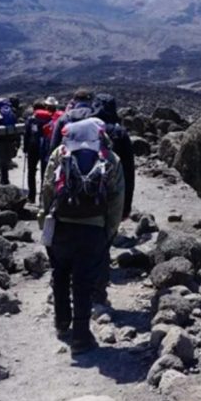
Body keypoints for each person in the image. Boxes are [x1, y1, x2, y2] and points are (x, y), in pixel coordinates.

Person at [39, 117, 125, 355]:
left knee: (60, 274)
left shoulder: (60, 153)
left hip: (61, 225)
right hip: (93, 228)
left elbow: (47, 189)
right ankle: (80, 337)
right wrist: (109, 231)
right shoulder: (109, 157)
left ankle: (61, 321)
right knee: (83, 282)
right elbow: (117, 199)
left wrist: (45, 221)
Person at [92, 92, 136, 305]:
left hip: (88, 193)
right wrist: (127, 204)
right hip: (114, 195)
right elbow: (129, 171)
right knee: (106, 236)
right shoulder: (119, 133)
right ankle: (99, 285)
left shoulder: (87, 131)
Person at [23, 99, 54, 203]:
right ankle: (42, 197)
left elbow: (26, 134)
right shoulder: (50, 118)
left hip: (32, 147)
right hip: (45, 147)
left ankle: (31, 196)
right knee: (44, 173)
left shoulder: (31, 118)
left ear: (34, 108)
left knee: (31, 171)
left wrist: (25, 148)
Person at [0, 97, 22, 186]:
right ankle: (5, 179)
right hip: (11, 139)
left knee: (2, 161)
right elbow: (16, 127)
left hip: (0, 140)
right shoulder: (12, 112)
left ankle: (4, 181)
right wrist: (18, 141)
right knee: (7, 159)